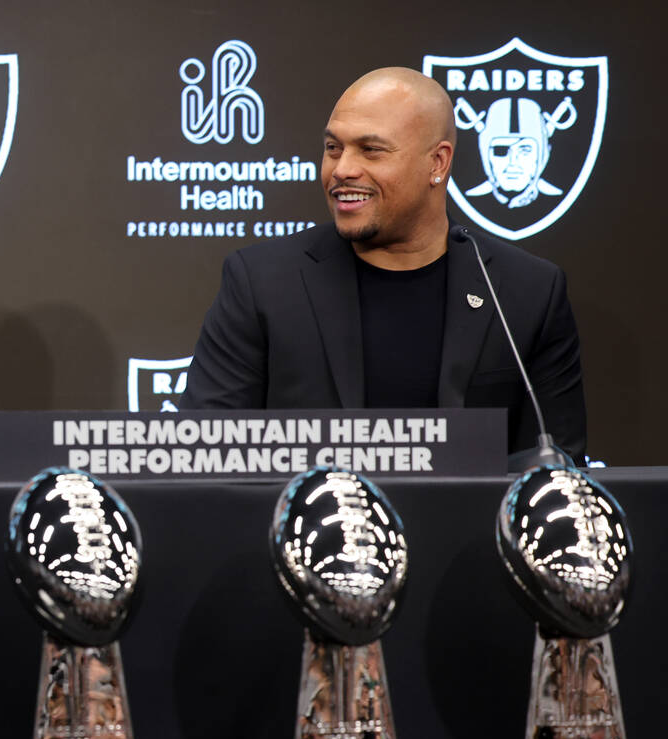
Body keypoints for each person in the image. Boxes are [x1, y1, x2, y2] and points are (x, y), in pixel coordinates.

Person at [180, 67, 586, 463]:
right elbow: (205, 456)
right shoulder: (262, 282)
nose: (342, 170)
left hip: (469, 531)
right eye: (333, 148)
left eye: (371, 150)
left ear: (438, 163)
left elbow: (553, 471)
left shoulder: (526, 292)